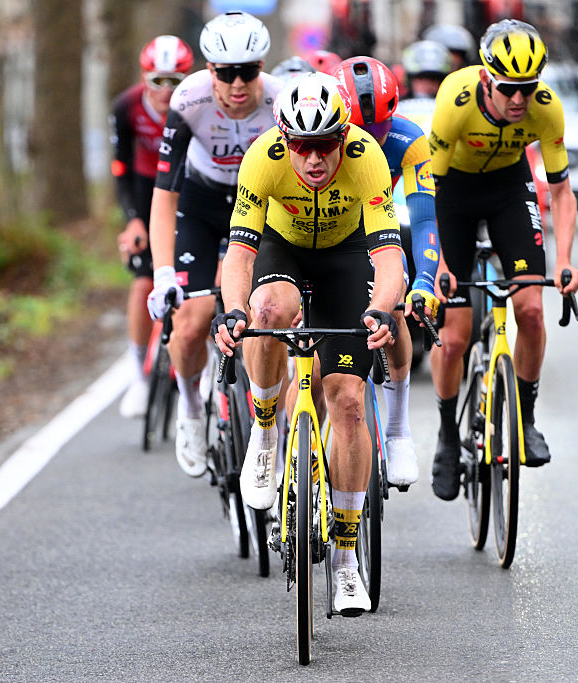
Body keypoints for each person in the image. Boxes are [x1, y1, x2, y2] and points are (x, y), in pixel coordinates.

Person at [212, 72, 405, 614]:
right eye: (301, 146)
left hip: (346, 254)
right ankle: (266, 431)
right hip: (285, 247)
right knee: (267, 312)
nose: (314, 159)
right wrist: (234, 308)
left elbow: (389, 257)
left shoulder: (366, 157)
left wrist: (380, 308)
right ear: (284, 140)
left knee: (348, 402)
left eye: (324, 146)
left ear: (343, 138)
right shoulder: (262, 158)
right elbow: (240, 256)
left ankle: (345, 559)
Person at [427, 19, 578, 501]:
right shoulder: (454, 101)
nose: (518, 100)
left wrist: (565, 260)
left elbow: (561, 192)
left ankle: (526, 419)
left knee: (531, 310)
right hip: (451, 194)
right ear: (485, 78)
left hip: (507, 191)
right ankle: (447, 437)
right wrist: (439, 264)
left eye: (527, 88)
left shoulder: (546, 108)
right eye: (508, 88)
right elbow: (429, 191)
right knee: (454, 335)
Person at [146, 11, 283, 477]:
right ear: (210, 71)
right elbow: (164, 195)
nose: (237, 84)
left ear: (262, 66)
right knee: (191, 322)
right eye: (226, 73)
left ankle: (270, 419)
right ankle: (190, 410)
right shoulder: (188, 100)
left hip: (261, 207)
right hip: (201, 206)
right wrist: (163, 273)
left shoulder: (281, 101)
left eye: (248, 71)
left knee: (268, 313)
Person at [332, 56, 441, 489]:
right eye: (361, 128)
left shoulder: (409, 140)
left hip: (378, 227)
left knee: (394, 309)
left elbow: (425, 218)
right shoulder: (320, 138)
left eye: (380, 127)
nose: (372, 138)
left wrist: (425, 281)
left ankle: (397, 430)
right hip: (328, 234)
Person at [111, 36, 195, 418]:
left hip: (191, 187)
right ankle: (139, 377)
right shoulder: (126, 106)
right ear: (143, 78)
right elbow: (120, 167)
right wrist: (132, 219)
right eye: (157, 80)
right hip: (148, 191)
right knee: (143, 282)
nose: (165, 91)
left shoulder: (197, 105)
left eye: (175, 81)